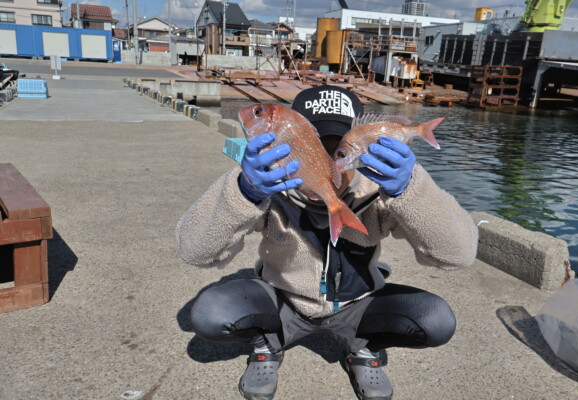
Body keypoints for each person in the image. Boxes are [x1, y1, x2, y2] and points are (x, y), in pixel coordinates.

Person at [176, 85, 478, 400]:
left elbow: (458, 255)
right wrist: (243, 190)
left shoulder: (377, 193)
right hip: (283, 303)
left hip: (356, 305)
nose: (323, 163)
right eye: (308, 148)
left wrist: (410, 189)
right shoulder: (267, 187)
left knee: (436, 319)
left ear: (363, 149)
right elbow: (195, 252)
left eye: (336, 151)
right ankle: (267, 343)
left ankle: (362, 347)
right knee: (210, 312)